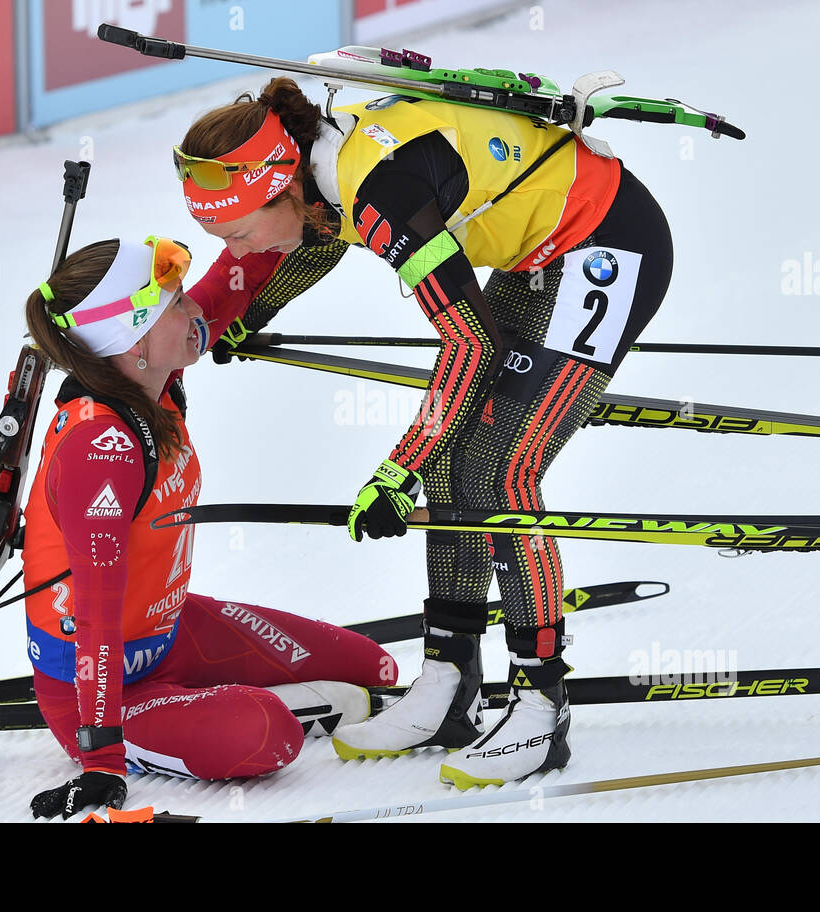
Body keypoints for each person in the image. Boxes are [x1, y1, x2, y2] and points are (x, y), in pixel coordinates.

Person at [172, 77, 674, 788]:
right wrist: (251, 312)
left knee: (499, 474)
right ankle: (451, 683)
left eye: (240, 234)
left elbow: (472, 347)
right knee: (453, 470)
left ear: (285, 189)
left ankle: (542, 705)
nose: (240, 250)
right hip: (538, 254)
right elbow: (319, 237)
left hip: (606, 245)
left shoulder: (375, 190)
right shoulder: (319, 167)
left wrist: (395, 470)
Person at [21, 235, 397, 820]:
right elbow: (94, 611)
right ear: (133, 337)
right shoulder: (102, 446)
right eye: (175, 303)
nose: (195, 310)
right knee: (269, 737)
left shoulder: (151, 374)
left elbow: (236, 275)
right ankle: (212, 713)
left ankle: (217, 701)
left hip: (173, 631)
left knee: (373, 667)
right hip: (99, 690)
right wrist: (99, 758)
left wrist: (304, 203)